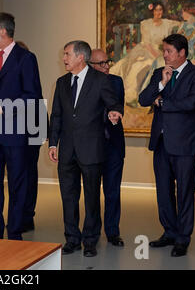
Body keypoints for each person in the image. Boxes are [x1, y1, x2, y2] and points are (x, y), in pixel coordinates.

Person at [48, 41, 123, 257]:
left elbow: (114, 103)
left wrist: (115, 113)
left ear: (81, 57)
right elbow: (57, 116)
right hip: (66, 151)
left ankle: (90, 241)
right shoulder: (61, 83)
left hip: (91, 149)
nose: (64, 58)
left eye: (67, 54)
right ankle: (72, 239)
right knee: (68, 197)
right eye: (64, 54)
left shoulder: (100, 80)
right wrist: (53, 143)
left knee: (91, 197)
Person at [138, 34, 195, 257]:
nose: (164, 55)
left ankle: (182, 238)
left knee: (185, 192)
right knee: (164, 192)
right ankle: (169, 232)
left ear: (182, 53)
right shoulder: (160, 73)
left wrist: (162, 102)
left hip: (186, 145)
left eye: (168, 51)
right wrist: (161, 84)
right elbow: (143, 99)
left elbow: (191, 103)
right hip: (161, 143)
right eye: (164, 50)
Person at [0, 13, 43, 241]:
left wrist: (2, 109)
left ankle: (15, 234)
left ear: (3, 31)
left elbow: (33, 96)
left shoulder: (26, 58)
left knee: (17, 185)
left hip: (16, 134)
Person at [110, 2, 179, 107]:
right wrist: (157, 56)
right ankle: (132, 96)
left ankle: (159, 94)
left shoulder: (167, 23)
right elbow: (147, 44)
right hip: (147, 50)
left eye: (160, 10)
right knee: (140, 66)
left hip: (161, 51)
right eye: (156, 10)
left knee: (157, 66)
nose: (158, 12)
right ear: (152, 11)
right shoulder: (146, 24)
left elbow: (181, 24)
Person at [89, 49, 125, 247]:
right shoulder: (84, 84)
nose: (106, 66)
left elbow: (117, 106)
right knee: (92, 192)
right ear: (90, 65)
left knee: (112, 192)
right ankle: (92, 233)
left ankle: (113, 232)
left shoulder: (116, 82)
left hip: (113, 145)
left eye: (108, 62)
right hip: (92, 147)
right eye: (101, 63)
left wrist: (112, 113)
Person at [15, 41, 48, 233]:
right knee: (21, 176)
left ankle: (27, 216)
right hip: (14, 132)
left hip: (30, 132)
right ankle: (20, 215)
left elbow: (37, 100)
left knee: (28, 175)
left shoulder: (29, 74)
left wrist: (41, 132)